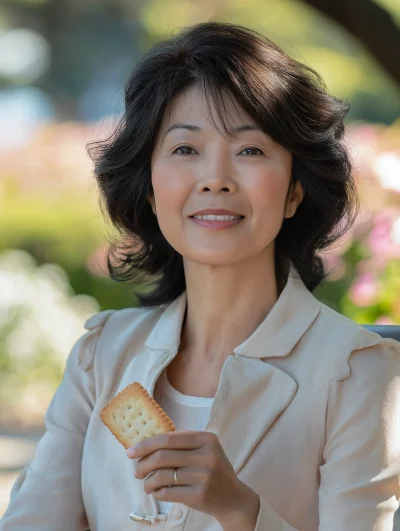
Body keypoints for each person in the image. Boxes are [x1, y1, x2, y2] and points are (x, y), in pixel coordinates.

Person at [1, 20, 399, 531]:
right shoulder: (100, 357)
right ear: (149, 185)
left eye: (250, 150)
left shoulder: (357, 371)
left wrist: (241, 510)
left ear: (295, 190)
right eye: (185, 149)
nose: (215, 179)